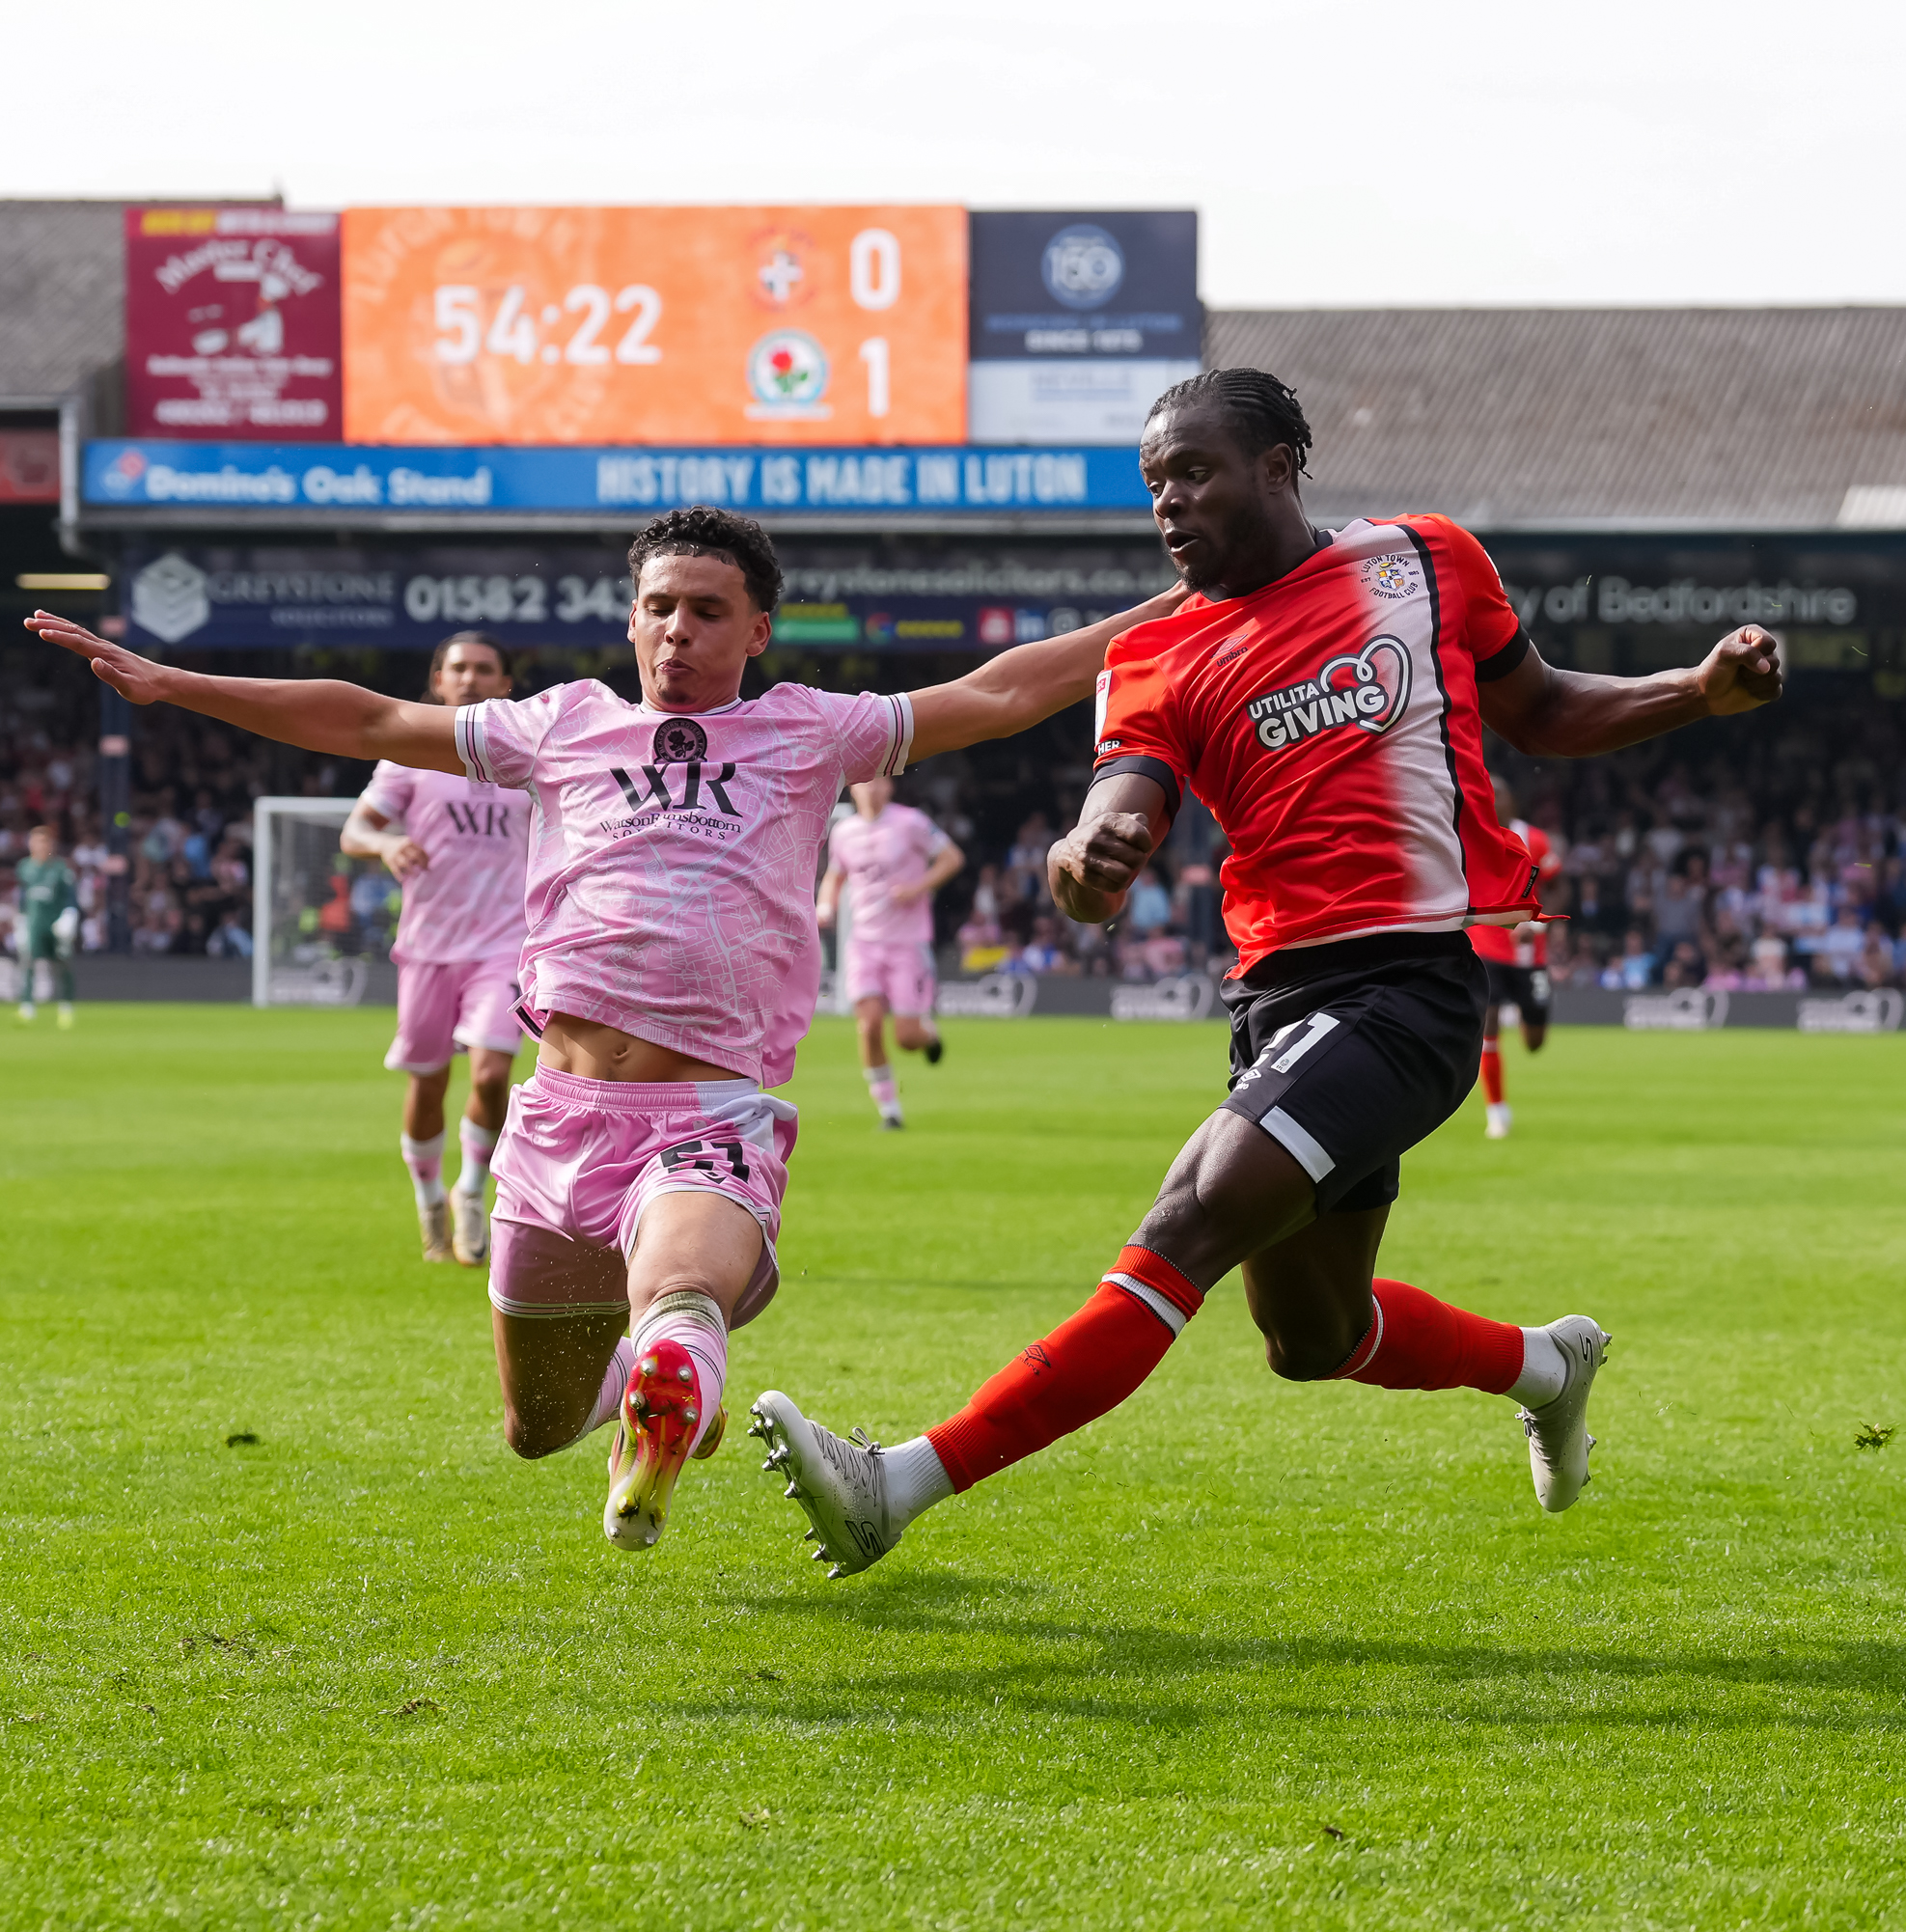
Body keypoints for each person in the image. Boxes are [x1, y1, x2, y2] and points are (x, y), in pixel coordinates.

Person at [750, 368, 1783, 1577]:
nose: (1168, 503)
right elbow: (1106, 826)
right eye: (1153, 484)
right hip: (1278, 1000)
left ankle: (901, 1481)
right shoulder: (1153, 654)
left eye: (1193, 472)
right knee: (1312, 1334)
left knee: (1191, 1214)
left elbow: (1543, 710)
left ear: (1281, 466)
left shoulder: (1426, 560)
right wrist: (1088, 862)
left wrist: (1695, 692)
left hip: (1409, 986)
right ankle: (1546, 1363)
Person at [28, 508, 1176, 1553]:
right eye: (661, 606)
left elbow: (1010, 688)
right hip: (555, 1117)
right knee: (535, 1429)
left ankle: (674, 1365)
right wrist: (177, 683)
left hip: (705, 1115)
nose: (679, 629)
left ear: (759, 630)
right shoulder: (558, 726)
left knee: (683, 1293)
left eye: (709, 610)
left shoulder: (813, 732)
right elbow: (371, 714)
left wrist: (1188, 600)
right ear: (631, 619)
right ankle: (659, 1389)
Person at [339, 631, 530, 1265]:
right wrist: (387, 844)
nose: (470, 679)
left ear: (505, 684)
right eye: (458, 669)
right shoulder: (410, 758)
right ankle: (427, 1198)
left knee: (494, 1069)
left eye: (484, 669)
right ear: (438, 681)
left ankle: (471, 1191)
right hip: (428, 947)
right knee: (427, 1084)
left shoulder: (526, 761)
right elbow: (356, 830)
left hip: (506, 944)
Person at [815, 777, 961, 1129]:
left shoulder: (910, 822)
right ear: (853, 789)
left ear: (890, 787)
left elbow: (951, 858)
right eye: (865, 784)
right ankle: (890, 1111)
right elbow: (836, 875)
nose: (873, 789)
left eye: (879, 782)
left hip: (907, 943)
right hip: (863, 943)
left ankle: (928, 1035)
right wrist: (825, 906)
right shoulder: (844, 831)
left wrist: (917, 887)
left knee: (907, 1038)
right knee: (868, 1025)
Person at [1470, 778, 1561, 1139]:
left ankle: (1522, 1012)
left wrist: (1540, 925)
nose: (1491, 800)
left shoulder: (1535, 840)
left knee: (1534, 1043)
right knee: (1488, 1032)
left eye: (1498, 794)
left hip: (1530, 956)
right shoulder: (1472, 837)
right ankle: (1497, 1111)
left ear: (1512, 801)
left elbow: (1558, 885)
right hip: (1487, 949)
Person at [13, 825, 80, 1029]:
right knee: (28, 963)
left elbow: (71, 898)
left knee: (63, 963)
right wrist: (20, 920)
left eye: (44, 842)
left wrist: (69, 917)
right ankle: (27, 1007)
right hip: (34, 922)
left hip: (56, 923)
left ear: (50, 845)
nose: (40, 846)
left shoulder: (61, 868)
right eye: (36, 841)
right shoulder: (25, 867)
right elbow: (22, 897)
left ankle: (66, 1007)